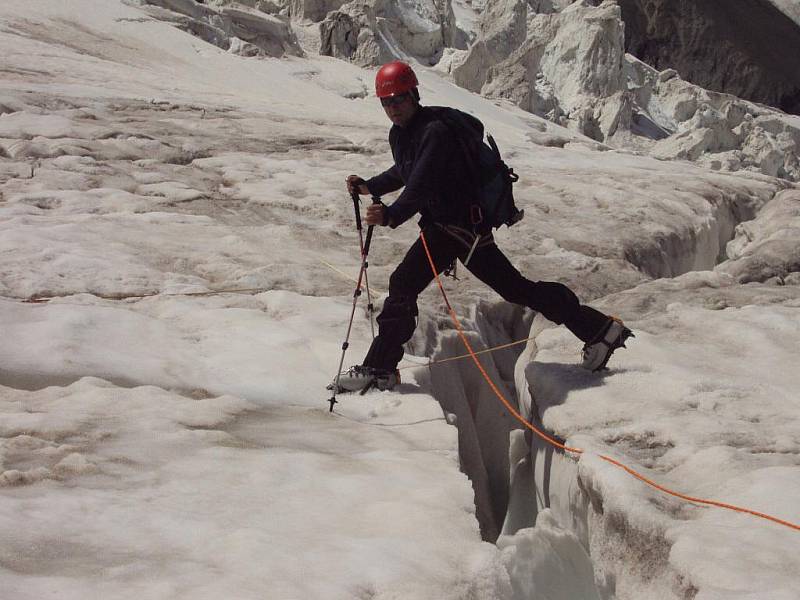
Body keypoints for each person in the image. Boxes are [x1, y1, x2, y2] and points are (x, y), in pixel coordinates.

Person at [334, 61, 631, 393]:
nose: (393, 108)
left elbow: (422, 185)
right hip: (461, 230)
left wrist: (391, 216)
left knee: (403, 282)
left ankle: (379, 368)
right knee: (515, 289)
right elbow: (406, 171)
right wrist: (370, 186)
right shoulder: (403, 133)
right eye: (386, 102)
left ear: (414, 95)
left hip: (454, 229)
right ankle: (598, 329)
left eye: (398, 100)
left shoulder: (436, 132)